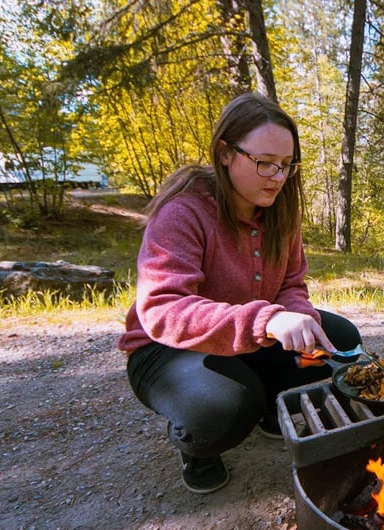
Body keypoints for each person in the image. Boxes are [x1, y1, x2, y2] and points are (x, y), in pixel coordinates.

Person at [118, 93, 361, 494]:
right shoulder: (185, 212)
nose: (278, 177)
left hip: (244, 336)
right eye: (264, 162)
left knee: (340, 341)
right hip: (166, 349)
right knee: (225, 406)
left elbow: (291, 285)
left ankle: (270, 409)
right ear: (225, 153)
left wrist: (299, 319)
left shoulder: (282, 213)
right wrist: (268, 319)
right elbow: (163, 309)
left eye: (286, 166)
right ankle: (198, 447)